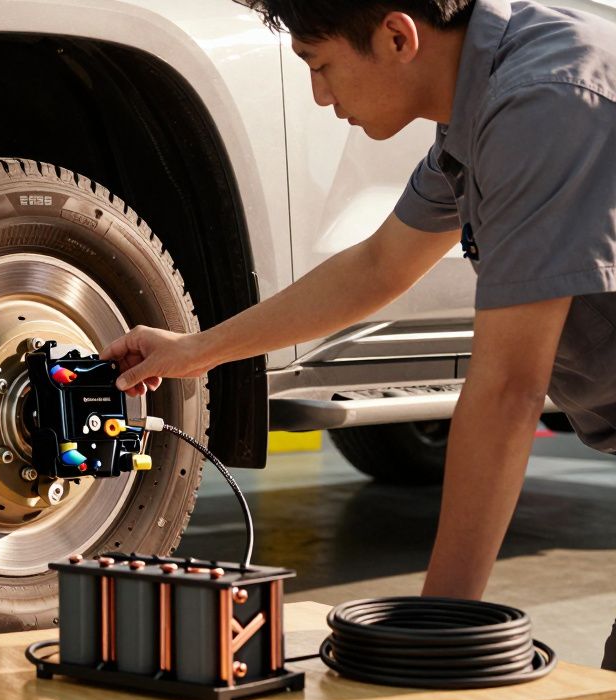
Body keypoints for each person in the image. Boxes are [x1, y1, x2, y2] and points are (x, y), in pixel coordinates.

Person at [102, 0, 616, 665]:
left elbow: (509, 390)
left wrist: (436, 636)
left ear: (397, 36)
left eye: (321, 66)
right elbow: (379, 266)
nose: (319, 95)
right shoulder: (485, 106)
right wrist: (194, 352)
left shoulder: (545, 102)